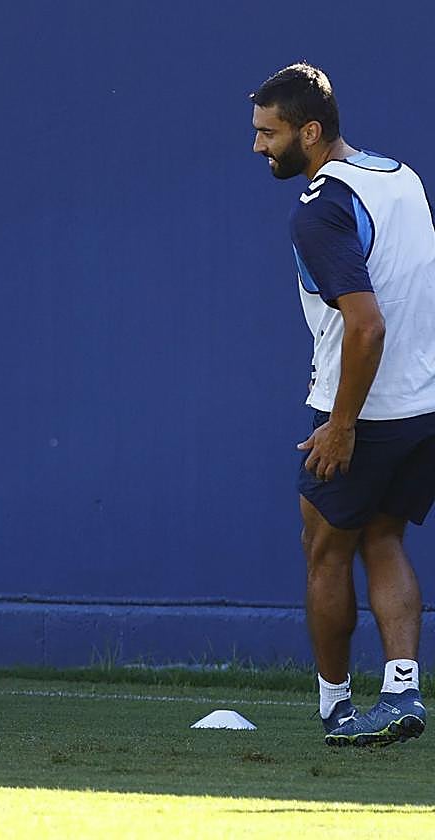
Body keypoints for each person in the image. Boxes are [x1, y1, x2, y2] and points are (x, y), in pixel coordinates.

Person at [252, 63, 434, 746]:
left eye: (269, 134)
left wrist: (342, 425)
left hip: (364, 411)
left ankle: (337, 709)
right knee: (384, 537)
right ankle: (402, 692)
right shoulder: (402, 175)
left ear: (310, 131)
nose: (259, 148)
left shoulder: (320, 207)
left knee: (324, 551)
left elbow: (367, 324)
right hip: (425, 406)